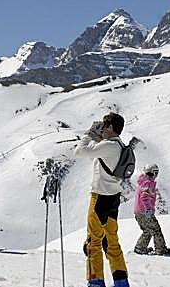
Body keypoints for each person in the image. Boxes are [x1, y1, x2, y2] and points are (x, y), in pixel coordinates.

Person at [74, 113, 130, 287]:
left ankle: (96, 281)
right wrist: (99, 138)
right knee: (111, 241)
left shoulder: (109, 146)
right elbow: (99, 151)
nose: (102, 128)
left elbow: (79, 151)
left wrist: (89, 134)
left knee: (93, 242)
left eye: (105, 126)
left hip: (99, 198)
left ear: (111, 128)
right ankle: (121, 282)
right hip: (113, 200)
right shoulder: (119, 145)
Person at [133, 163, 170, 255]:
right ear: (152, 172)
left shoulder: (143, 182)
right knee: (156, 230)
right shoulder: (147, 183)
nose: (156, 174)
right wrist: (148, 210)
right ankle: (160, 249)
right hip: (145, 212)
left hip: (139, 212)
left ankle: (140, 248)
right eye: (156, 172)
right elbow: (144, 197)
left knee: (147, 230)